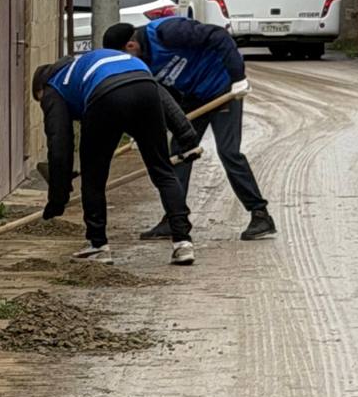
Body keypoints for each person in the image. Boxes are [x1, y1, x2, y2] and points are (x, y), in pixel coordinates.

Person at [103, 18, 277, 241]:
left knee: (228, 151)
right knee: (178, 154)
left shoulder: (167, 32)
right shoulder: (142, 63)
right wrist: (146, 130)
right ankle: (175, 219)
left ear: (130, 45)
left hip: (224, 89)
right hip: (194, 97)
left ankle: (260, 215)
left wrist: (238, 78)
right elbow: (162, 98)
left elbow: (218, 36)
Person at [33, 50, 195, 266]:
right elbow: (158, 92)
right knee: (162, 170)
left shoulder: (54, 87)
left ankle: (98, 245)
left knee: (94, 178)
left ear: (41, 89)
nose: (44, 105)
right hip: (145, 86)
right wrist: (186, 134)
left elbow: (60, 144)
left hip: (105, 97)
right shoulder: (90, 64)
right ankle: (183, 243)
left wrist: (57, 198)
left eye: (40, 101)